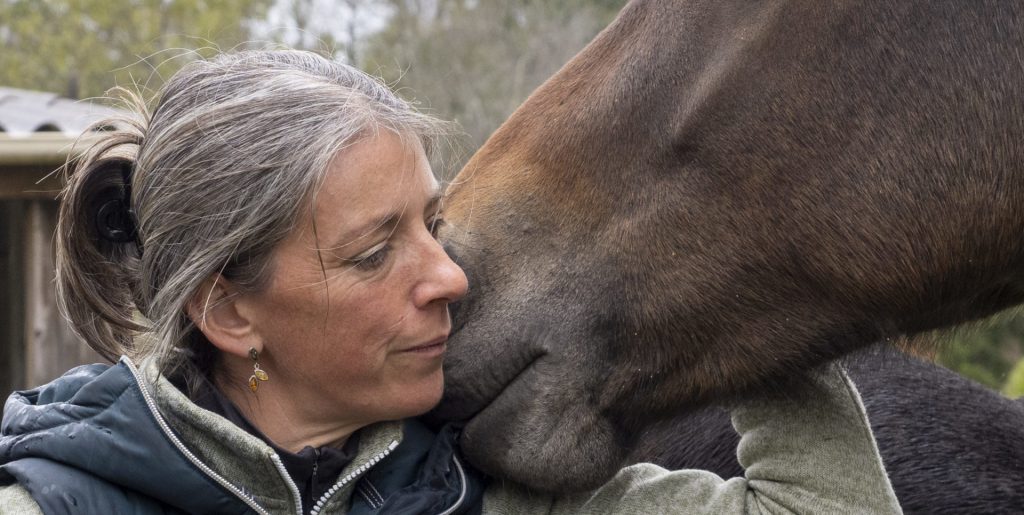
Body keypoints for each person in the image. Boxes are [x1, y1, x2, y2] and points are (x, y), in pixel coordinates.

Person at [0, 50, 902, 514]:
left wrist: (737, 253)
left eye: (431, 225)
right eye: (373, 250)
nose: (450, 276)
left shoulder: (485, 488)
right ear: (231, 310)